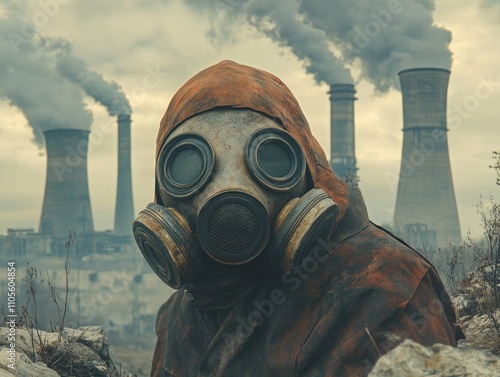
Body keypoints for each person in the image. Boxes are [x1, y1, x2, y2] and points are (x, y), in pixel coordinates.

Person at [133, 60, 463, 377]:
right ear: (163, 192)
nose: (229, 188)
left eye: (268, 158)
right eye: (189, 165)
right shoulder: (179, 317)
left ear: (308, 169)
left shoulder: (386, 289)